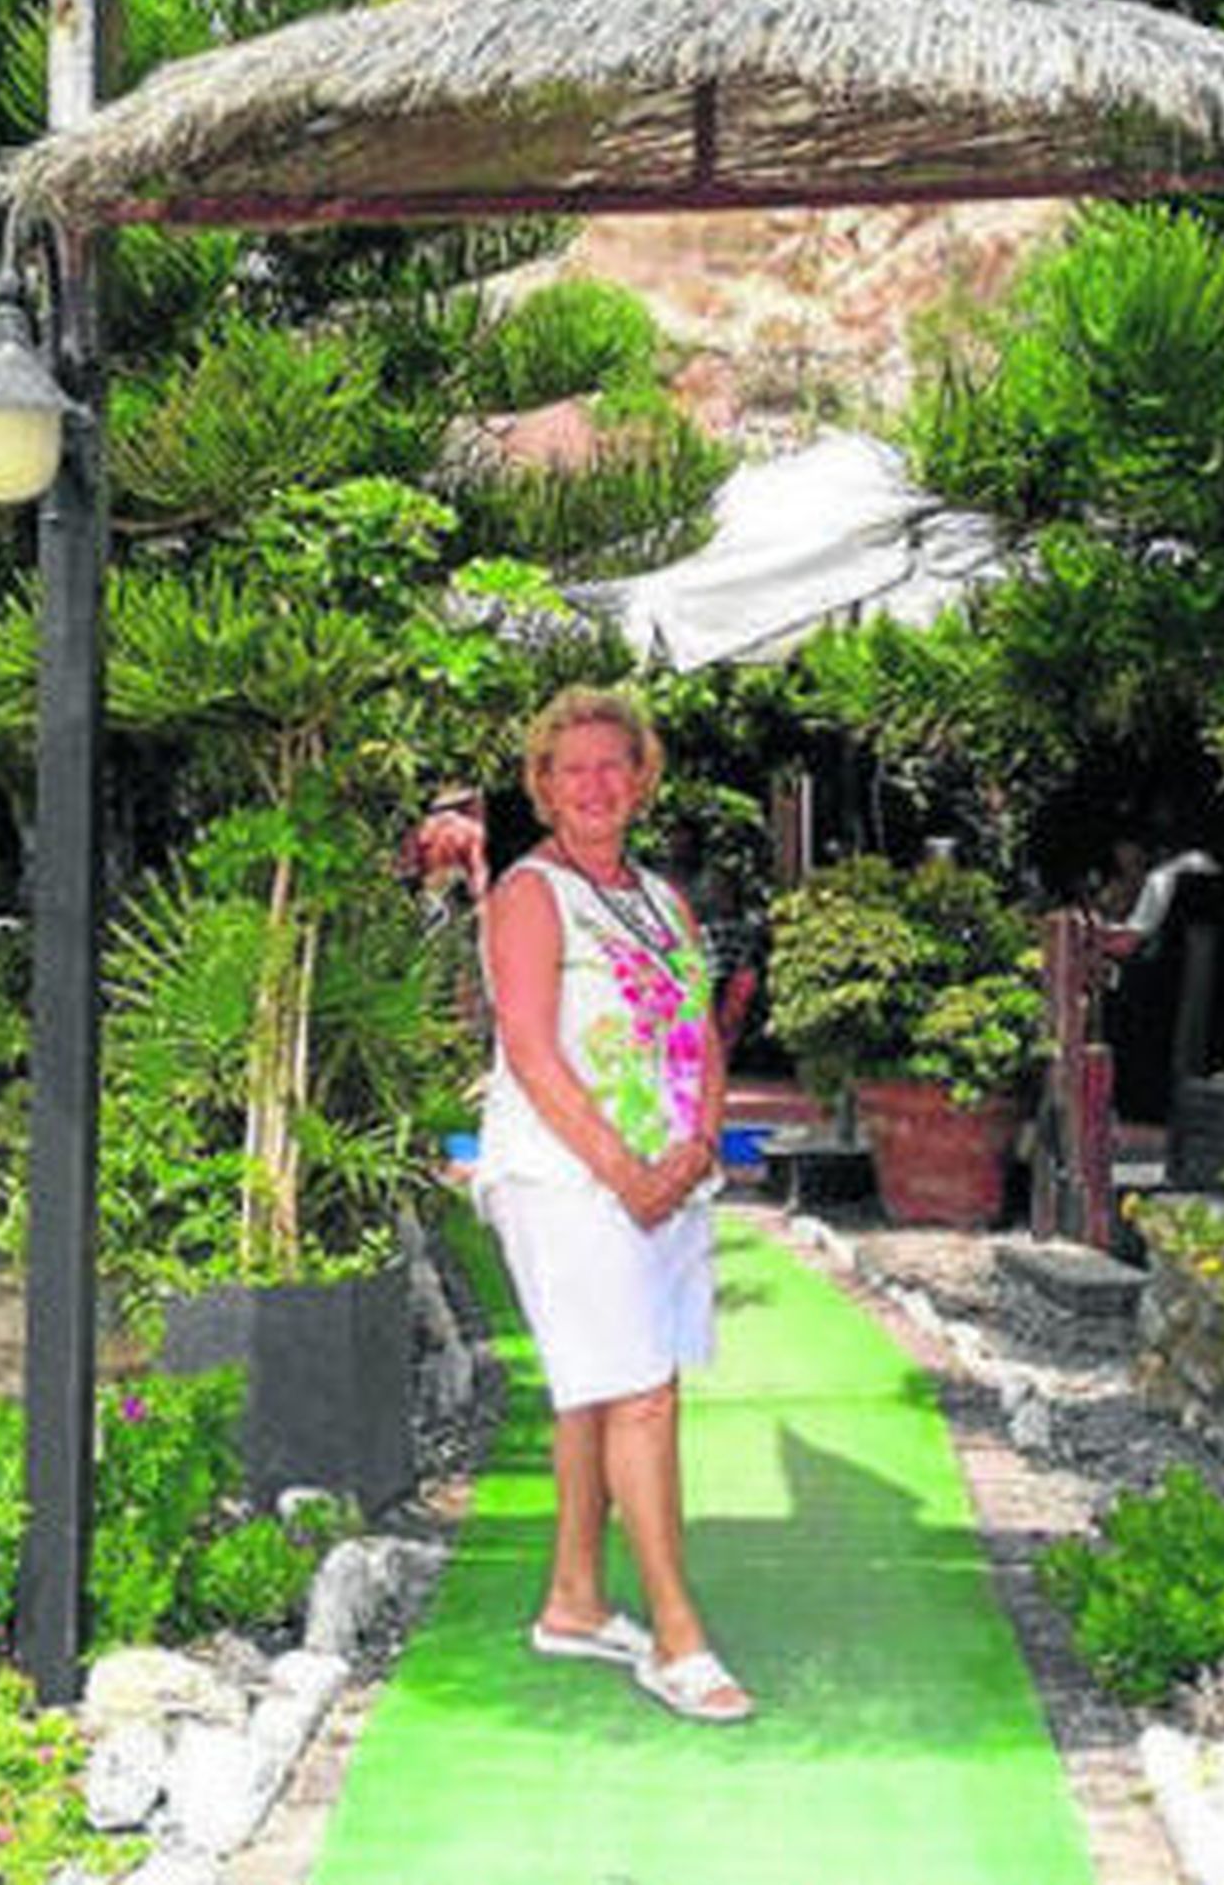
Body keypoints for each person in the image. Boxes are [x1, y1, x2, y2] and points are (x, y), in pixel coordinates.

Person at [475, 686, 751, 1724]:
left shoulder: (662, 899)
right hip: (562, 1176)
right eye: (569, 767)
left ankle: (576, 1601)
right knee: (640, 1392)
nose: (593, 784)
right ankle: (678, 1636)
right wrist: (625, 1173)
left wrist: (695, 1145)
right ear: (540, 785)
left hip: (664, 1174)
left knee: (603, 1385)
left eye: (612, 765)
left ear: (642, 779)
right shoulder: (528, 894)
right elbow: (533, 1050)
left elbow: (701, 1028)